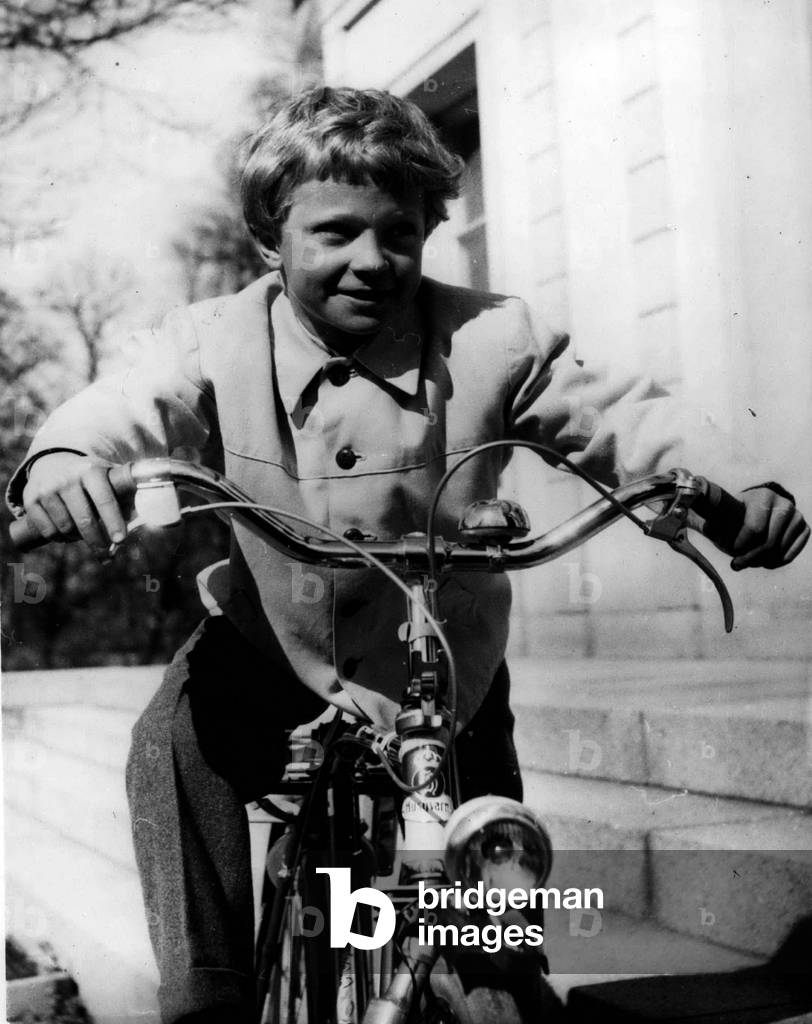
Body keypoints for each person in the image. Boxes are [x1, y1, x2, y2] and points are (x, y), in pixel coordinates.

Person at [7, 87, 808, 1023]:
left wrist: (730, 485)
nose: (371, 261)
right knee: (174, 741)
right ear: (273, 240)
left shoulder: (492, 335)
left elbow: (624, 410)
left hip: (445, 668)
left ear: (430, 229)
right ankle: (207, 995)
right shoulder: (213, 340)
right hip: (273, 653)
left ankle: (499, 969)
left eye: (399, 233)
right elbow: (125, 403)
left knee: (492, 908)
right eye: (335, 232)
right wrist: (68, 464)